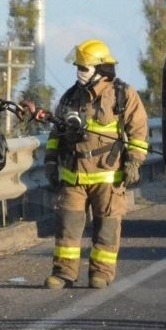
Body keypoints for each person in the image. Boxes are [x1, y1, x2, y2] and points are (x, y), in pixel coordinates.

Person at [41, 39, 149, 289]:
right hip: (73, 176)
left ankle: (101, 272)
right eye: (78, 68)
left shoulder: (123, 95)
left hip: (107, 176)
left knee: (107, 227)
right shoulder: (70, 98)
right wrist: (50, 162)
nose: (79, 73)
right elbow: (55, 134)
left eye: (84, 68)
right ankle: (64, 272)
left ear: (101, 70)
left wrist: (134, 161)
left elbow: (139, 132)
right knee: (67, 226)